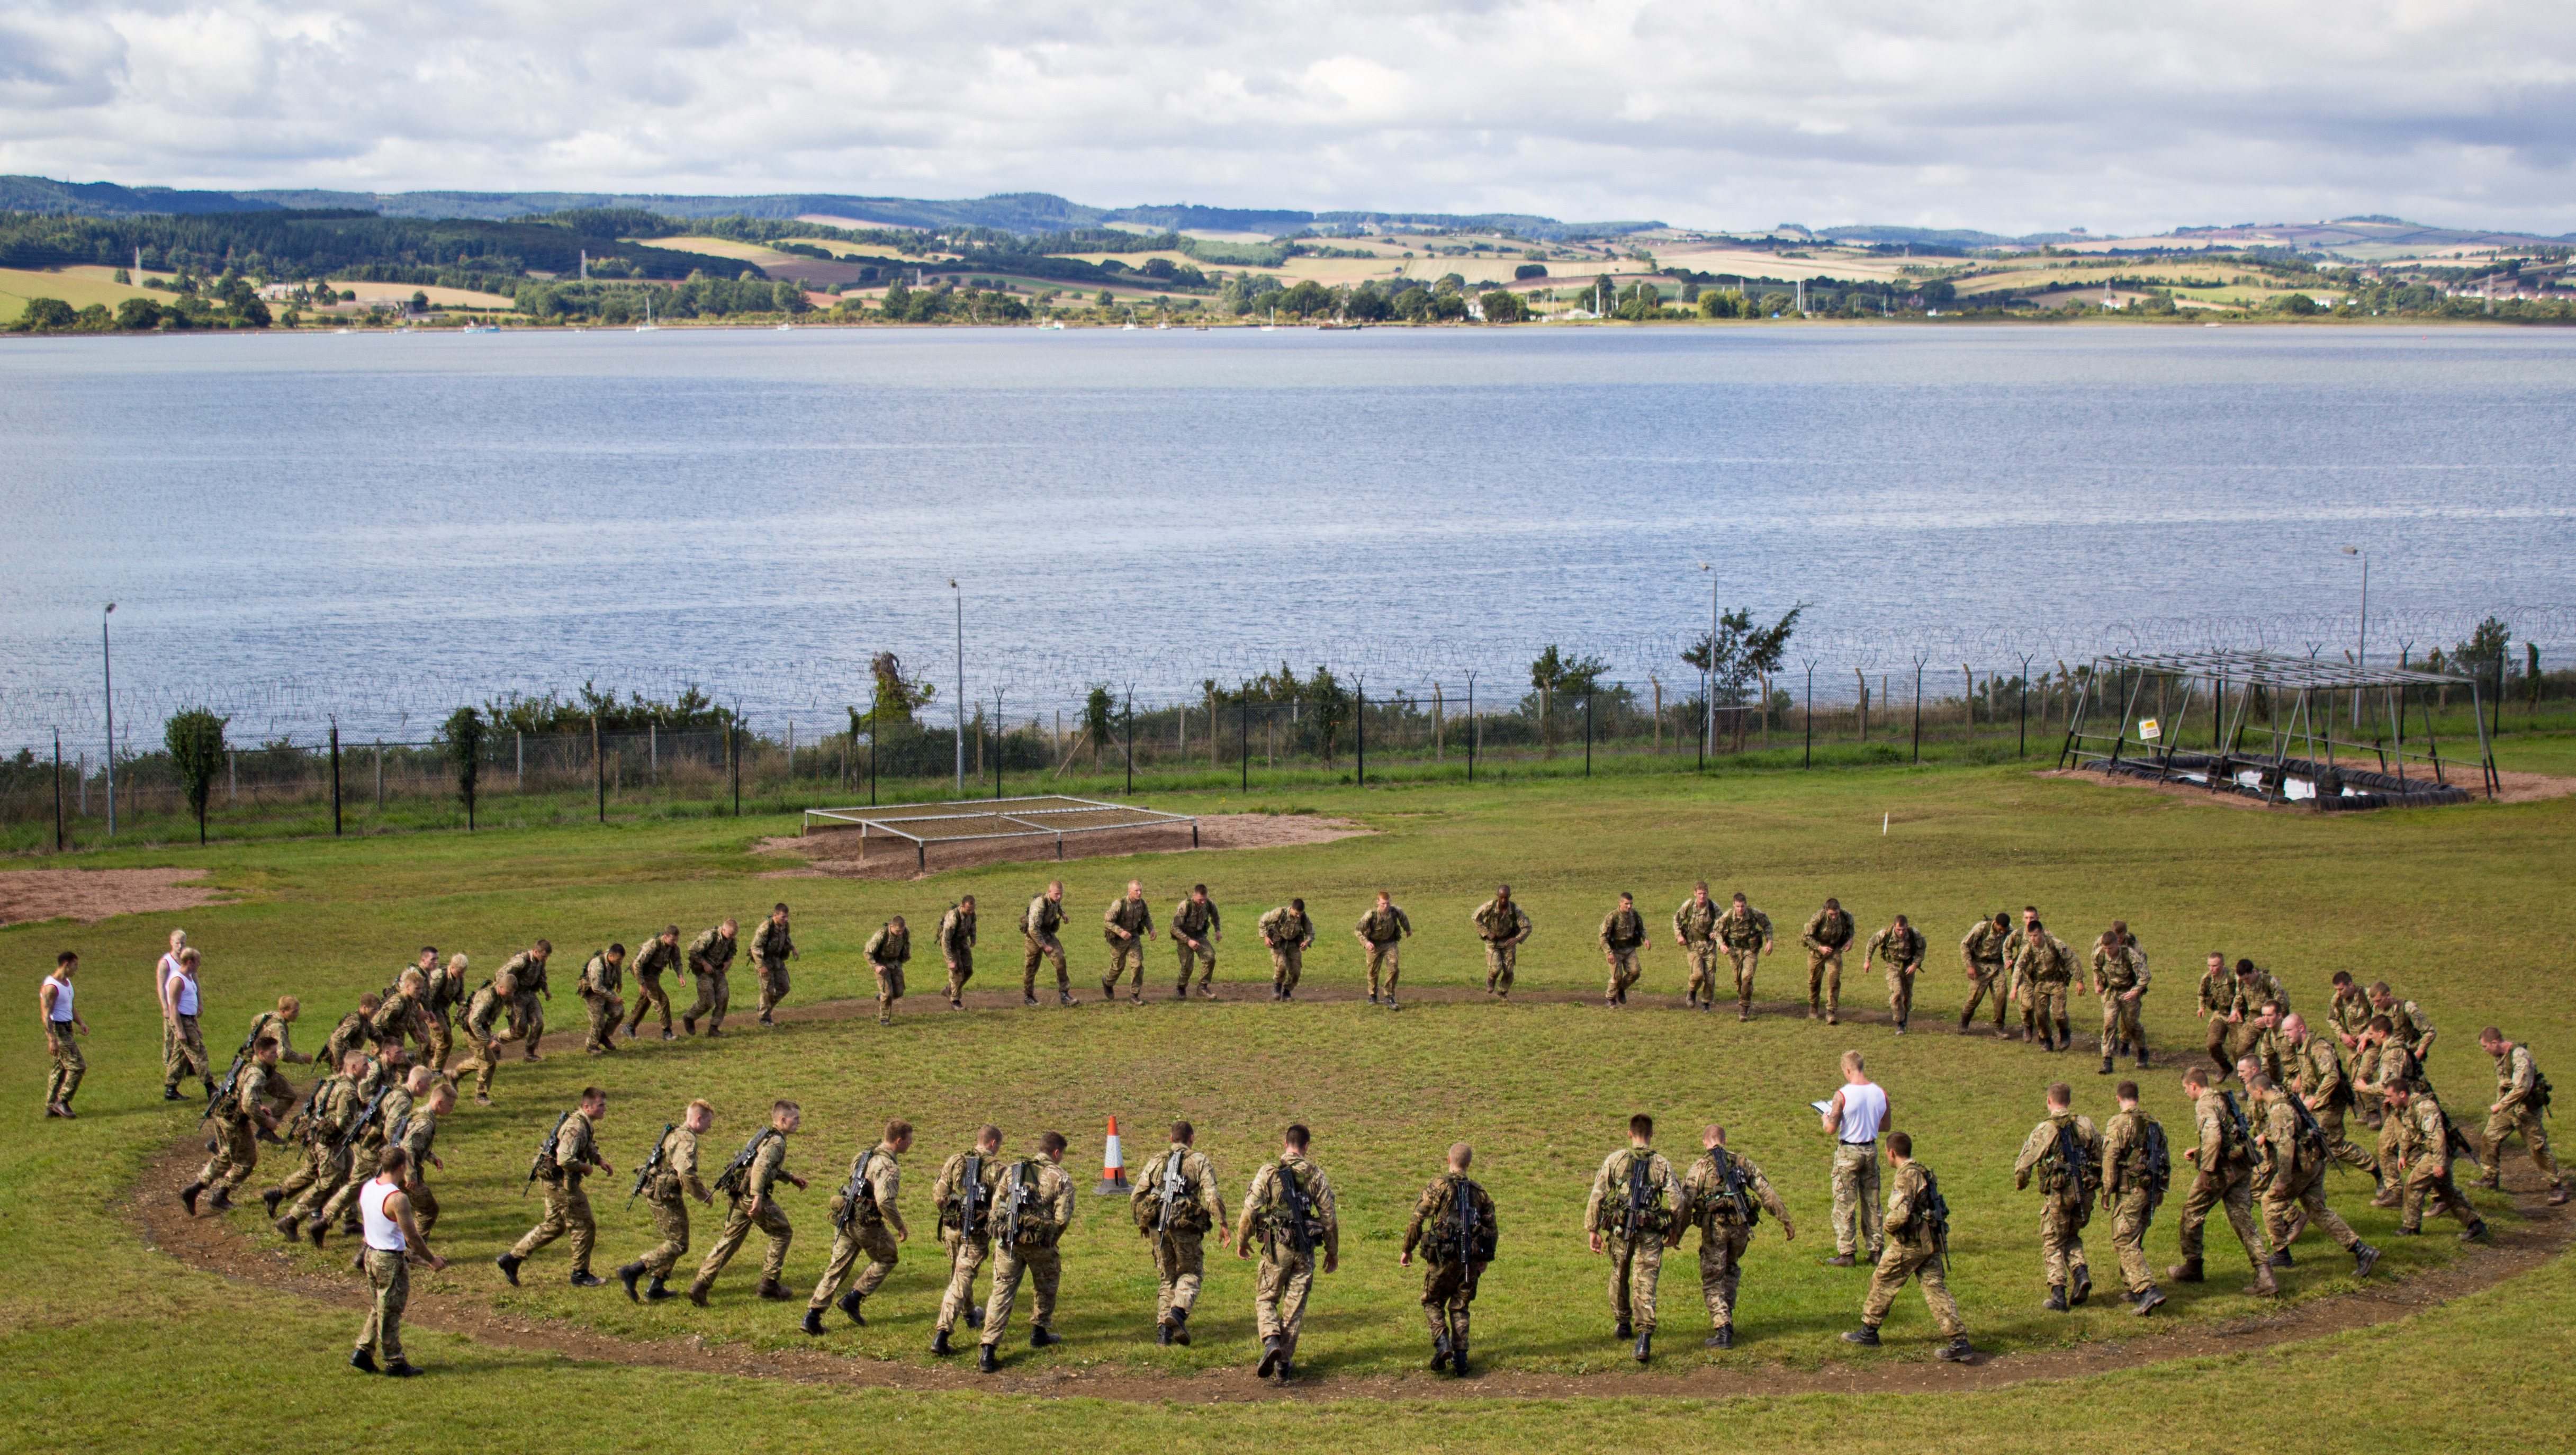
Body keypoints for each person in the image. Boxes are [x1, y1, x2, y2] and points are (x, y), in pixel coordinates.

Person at [1841, 1131, 1972, 1361]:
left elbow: (1900, 1216)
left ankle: (1868, 1332)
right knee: (1935, 1288)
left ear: (1891, 1153)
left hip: (1910, 1242)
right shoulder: (1923, 1171)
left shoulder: (1906, 1176)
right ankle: (1959, 1340)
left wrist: (1888, 1229)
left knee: (1883, 1279)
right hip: (1929, 1241)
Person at [1236, 1122, 1338, 1381]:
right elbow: (1329, 1219)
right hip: (1305, 1251)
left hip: (1275, 1250)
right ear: (1306, 1147)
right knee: (1294, 1307)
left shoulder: (1269, 1172)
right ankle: (1283, 1364)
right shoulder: (1316, 1175)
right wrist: (1332, 1252)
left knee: (1266, 1298)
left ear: (1285, 1144)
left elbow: (1251, 1210)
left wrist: (1242, 1240)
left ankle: (1271, 1340)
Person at [2249, 1072, 2378, 1277]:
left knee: (2269, 1202)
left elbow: (2286, 1146)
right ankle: (2362, 1250)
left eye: (2251, 1092)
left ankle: (2281, 1253)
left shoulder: (2279, 1111)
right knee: (2317, 1211)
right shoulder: (2286, 1099)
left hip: (2301, 1167)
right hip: (2315, 1161)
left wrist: (2283, 1179)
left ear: (2259, 1091)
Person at [1680, 1124, 1792, 1349]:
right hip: (1741, 1229)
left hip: (1716, 1230)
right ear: (1725, 1140)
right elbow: (1766, 1192)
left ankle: (1723, 1331)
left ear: (1705, 1142)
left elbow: (1686, 1203)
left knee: (1712, 1278)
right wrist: (1785, 1219)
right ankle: (1727, 1319)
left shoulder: (1700, 1167)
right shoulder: (1743, 1163)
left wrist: (1676, 1234)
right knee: (1731, 1269)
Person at [1584, 1112, 1682, 1362]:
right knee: (1645, 1281)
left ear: (1630, 1133)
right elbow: (1677, 1202)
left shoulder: (1615, 1160)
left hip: (1620, 1232)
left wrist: (1593, 1230)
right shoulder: (1662, 1164)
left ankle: (1623, 1322)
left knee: (1620, 1274)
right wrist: (1675, 1232)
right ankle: (1644, 1339)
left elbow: (1598, 1196)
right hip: (1650, 1233)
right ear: (1651, 1135)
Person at [2168, 1064, 2274, 1294]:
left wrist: (2205, 1170)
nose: (2185, 1093)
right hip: (2241, 1166)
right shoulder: (2223, 1098)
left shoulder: (2205, 1103)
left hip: (2221, 1170)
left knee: (2192, 1213)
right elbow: (2229, 1134)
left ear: (2193, 1086)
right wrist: (2199, 1151)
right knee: (2243, 1220)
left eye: (2185, 1088)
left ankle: (2193, 1266)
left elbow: (2215, 1137)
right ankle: (2265, 1275)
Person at [690, 1099, 807, 1304]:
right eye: (796, 1118)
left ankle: (700, 1285)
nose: (799, 1122)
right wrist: (758, 1198)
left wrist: (789, 1178)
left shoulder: (766, 1136)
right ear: (783, 1120)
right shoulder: (777, 1142)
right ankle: (769, 1284)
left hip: (738, 1193)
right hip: (751, 1195)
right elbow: (761, 1168)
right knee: (782, 1232)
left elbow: (759, 1163)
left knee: (730, 1240)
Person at [979, 1130, 1075, 1371]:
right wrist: (1051, 1241)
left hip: (1008, 1242)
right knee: (1047, 1285)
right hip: (1041, 1245)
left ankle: (988, 1349)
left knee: (1001, 1292)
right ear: (1056, 1153)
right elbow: (1063, 1219)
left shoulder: (1013, 1170)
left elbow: (996, 1204)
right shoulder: (1060, 1177)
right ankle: (1039, 1331)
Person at [804, 1117, 912, 1330]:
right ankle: (853, 1299)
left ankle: (812, 1317)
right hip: (865, 1222)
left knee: (837, 1267)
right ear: (899, 1141)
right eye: (909, 1140)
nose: (911, 1144)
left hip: (846, 1216)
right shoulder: (888, 1166)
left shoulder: (863, 1155)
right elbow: (884, 1201)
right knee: (888, 1257)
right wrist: (900, 1225)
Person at [499, 1086, 613, 1288]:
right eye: (601, 1105)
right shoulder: (576, 1126)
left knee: (555, 1225)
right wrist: (585, 1167)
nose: (605, 1109)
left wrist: (599, 1160)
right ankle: (580, 1274)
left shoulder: (583, 1123)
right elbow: (565, 1158)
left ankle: (512, 1259)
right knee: (584, 1225)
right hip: (562, 1185)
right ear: (587, 1107)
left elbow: (587, 1145)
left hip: (554, 1183)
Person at [1402, 1142, 1497, 1373]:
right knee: (1460, 1306)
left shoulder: (1439, 1187)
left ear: (1448, 1160)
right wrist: (1486, 1258)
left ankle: (1442, 1342)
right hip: (1470, 1260)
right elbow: (1492, 1230)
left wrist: (1408, 1249)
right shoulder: (1480, 1192)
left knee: (1431, 1301)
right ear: (1469, 1163)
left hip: (1443, 1259)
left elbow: (1417, 1219)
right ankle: (1461, 1357)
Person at [350, 1147, 445, 1378]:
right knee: (390, 1311)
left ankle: (363, 1351)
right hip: (389, 1261)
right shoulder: (398, 1199)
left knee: (378, 1306)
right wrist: (431, 1259)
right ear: (403, 1167)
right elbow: (412, 1236)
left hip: (371, 1254)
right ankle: (394, 1361)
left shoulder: (369, 1187)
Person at [1133, 1120, 1228, 1345]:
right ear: (1192, 1139)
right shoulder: (1199, 1161)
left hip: (1158, 1226)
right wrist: (1223, 1223)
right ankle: (1177, 1313)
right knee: (1191, 1273)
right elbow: (1212, 1196)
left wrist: (1140, 1223)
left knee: (1168, 1277)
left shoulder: (1157, 1161)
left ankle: (1163, 1335)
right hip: (1185, 1226)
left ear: (1171, 1139)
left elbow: (1136, 1195)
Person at [2012, 1082, 2102, 1310]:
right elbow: (2102, 1155)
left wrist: (2021, 1184)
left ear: (2049, 1101)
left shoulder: (2045, 1129)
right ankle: (2081, 1274)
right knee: (2071, 1235)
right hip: (2085, 1195)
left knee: (2053, 1240)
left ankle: (2058, 1295)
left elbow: (2024, 1165)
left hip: (2059, 1196)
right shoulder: (2086, 1124)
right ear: (2069, 1101)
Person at [617, 1099, 714, 1303]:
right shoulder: (687, 1139)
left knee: (674, 1240)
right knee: (679, 1243)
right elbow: (685, 1172)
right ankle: (633, 1271)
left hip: (657, 1192)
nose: (710, 1126)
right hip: (666, 1195)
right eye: (709, 1122)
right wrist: (703, 1195)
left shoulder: (675, 1133)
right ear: (698, 1119)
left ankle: (656, 1287)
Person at [274, 1049, 370, 1240]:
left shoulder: (331, 1081)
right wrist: (363, 1128)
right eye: (365, 1065)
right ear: (353, 1067)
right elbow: (343, 1122)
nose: (368, 1069)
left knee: (348, 1178)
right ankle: (291, 1219)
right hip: (331, 1142)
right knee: (328, 1183)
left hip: (321, 1137)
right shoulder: (348, 1090)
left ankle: (350, 1220)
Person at [181, 1037, 283, 1213]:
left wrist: (259, 1106)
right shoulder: (257, 1075)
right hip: (235, 1121)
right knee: (246, 1162)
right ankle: (220, 1196)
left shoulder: (246, 1065)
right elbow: (248, 1105)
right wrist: (267, 1122)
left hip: (222, 1115)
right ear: (262, 1053)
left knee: (226, 1155)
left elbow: (240, 1093)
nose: (277, 1056)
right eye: (274, 1052)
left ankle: (194, 1190)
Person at [931, 1124, 1006, 1353]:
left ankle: (971, 1314)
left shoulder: (955, 1160)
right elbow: (1001, 1206)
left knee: (960, 1274)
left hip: (952, 1229)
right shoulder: (999, 1169)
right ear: (993, 1144)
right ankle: (942, 1335)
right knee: (961, 1281)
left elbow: (939, 1196)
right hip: (975, 1234)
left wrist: (954, 1211)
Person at [2100, 1081, 2169, 1315]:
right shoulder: (2155, 1124)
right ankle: (2133, 1286)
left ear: (2118, 1098)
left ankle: (2148, 1289)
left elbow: (2110, 1158)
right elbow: (2165, 1158)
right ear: (2137, 1098)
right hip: (2151, 1189)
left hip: (2131, 1190)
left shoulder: (2119, 1122)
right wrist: (2161, 1190)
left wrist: (2107, 1191)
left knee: (2123, 1238)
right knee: (2135, 1236)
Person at [2474, 1027, 2565, 1203]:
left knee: (2538, 1147)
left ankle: (2556, 1187)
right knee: (2489, 1137)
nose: (2484, 1051)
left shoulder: (2520, 1056)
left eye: (2485, 1047)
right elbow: (2505, 1084)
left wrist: (2501, 1105)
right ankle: (2490, 1178)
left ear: (2495, 1043)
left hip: (2526, 1110)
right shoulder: (2500, 1056)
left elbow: (2522, 1088)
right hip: (2508, 1109)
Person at [2387, 1081, 2486, 1241]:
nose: (2387, 1100)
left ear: (2402, 1094)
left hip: (2440, 1152)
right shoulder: (2403, 1110)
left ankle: (2411, 1227)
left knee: (2413, 1184)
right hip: (2434, 1151)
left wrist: (2439, 1163)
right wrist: (2403, 1154)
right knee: (2446, 1190)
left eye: (2389, 1096)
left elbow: (2438, 1137)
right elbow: (2406, 1133)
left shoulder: (2424, 1108)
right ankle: (2475, 1225)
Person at [2283, 1013, 2379, 1176]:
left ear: (2301, 1028)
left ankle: (2375, 1169)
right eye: (2284, 1032)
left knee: (2332, 1144)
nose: (2286, 1035)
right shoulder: (2301, 1047)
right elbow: (2308, 1073)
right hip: (2319, 1100)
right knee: (2308, 1138)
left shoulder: (2318, 1048)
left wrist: (2315, 1099)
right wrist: (2304, 1094)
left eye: (2289, 1030)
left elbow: (2332, 1076)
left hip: (2332, 1101)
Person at [1822, 1049, 1890, 1265]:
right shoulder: (1880, 1093)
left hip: (1849, 1152)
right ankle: (1876, 1250)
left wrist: (1825, 1118)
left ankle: (1847, 1253)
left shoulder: (1842, 1095)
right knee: (1872, 1202)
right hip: (1871, 1150)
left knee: (1845, 1202)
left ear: (1848, 1069)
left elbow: (1831, 1128)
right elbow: (1886, 1126)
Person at [391, 1074, 452, 1234]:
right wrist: (411, 1175)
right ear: (440, 1103)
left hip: (398, 1170)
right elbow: (407, 1146)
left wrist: (432, 1157)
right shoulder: (426, 1122)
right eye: (451, 1106)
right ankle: (416, 1252)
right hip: (407, 1172)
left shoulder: (420, 1112)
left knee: (395, 1213)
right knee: (428, 1211)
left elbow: (413, 1142)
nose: (452, 1110)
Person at [2008, 915, 2079, 1051]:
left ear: (2042, 932)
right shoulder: (2029, 949)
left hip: (2057, 982)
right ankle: (2047, 1040)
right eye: (2030, 936)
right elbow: (2019, 966)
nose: (2033, 939)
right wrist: (2014, 988)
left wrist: (2079, 981)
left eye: (2035, 935)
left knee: (2058, 1014)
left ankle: (2065, 1032)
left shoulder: (2055, 944)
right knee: (2040, 1015)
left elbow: (2072, 960)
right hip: (2040, 984)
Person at [2091, 922, 2151, 1073]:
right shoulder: (2100, 954)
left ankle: (2142, 1051)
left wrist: (2136, 991)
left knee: (2131, 1025)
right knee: (2109, 1025)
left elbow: (2145, 976)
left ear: (2117, 943)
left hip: (2129, 992)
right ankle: (2107, 1060)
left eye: (2110, 948)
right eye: (2105, 948)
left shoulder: (2129, 954)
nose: (2108, 952)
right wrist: (2099, 983)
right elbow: (2096, 968)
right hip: (2112, 993)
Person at [161, 947, 212, 1100]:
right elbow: (174, 1008)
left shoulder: (189, 978)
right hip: (181, 1021)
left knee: (180, 1056)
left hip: (189, 1019)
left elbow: (190, 1004)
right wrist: (180, 1031)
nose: (200, 964)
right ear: (190, 962)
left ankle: (171, 1090)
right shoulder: (177, 980)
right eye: (198, 961)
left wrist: (196, 1025)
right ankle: (211, 1088)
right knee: (198, 1053)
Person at [454, 971, 512, 1104]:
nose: (511, 995)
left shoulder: (503, 994)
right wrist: (489, 1042)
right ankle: (481, 1096)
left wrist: (512, 1021)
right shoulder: (487, 998)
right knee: (488, 1062)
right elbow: (473, 1022)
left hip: (483, 1027)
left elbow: (510, 1005)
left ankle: (454, 1075)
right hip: (473, 1029)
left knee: (481, 1059)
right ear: (501, 988)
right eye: (509, 992)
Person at [1861, 913, 1925, 1035]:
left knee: (1907, 996)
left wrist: (1915, 965)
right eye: (1899, 930)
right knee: (1897, 994)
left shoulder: (1914, 934)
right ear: (1894, 927)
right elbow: (1872, 943)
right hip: (1892, 966)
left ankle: (1905, 1016)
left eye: (1904, 930)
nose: (1902, 933)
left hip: (1908, 966)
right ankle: (1899, 1023)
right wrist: (1867, 961)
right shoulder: (1886, 934)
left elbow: (1922, 949)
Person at [41, 951, 87, 1118]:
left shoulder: (67, 983)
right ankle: (62, 1101)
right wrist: (52, 1039)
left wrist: (80, 1023)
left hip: (68, 1028)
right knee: (78, 1066)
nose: (77, 969)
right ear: (66, 964)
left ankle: (50, 1107)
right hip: (59, 1032)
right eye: (75, 965)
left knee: (59, 1068)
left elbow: (70, 1006)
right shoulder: (51, 987)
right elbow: (46, 1015)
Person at [1716, 892, 1774, 1021]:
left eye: (1742, 906)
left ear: (1746, 905)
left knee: (1747, 978)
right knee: (1738, 981)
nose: (1740, 909)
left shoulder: (1754, 913)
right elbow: (1717, 930)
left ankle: (1744, 1008)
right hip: (1734, 951)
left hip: (1750, 950)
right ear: (1734, 905)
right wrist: (1721, 945)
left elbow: (1767, 925)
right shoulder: (1728, 916)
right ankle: (1744, 996)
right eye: (1738, 906)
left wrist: (1770, 941)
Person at [1801, 896, 1857, 1024]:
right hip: (1817, 953)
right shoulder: (1818, 918)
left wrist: (1850, 940)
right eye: (1831, 914)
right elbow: (1806, 936)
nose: (1834, 917)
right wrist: (1820, 948)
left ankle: (1831, 1012)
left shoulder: (1846, 916)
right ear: (1826, 911)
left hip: (1834, 951)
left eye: (1836, 914)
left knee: (1834, 981)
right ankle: (1814, 1007)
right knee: (1814, 982)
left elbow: (1851, 928)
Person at [1472, 885, 1532, 999]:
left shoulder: (1515, 910)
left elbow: (1528, 927)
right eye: (1501, 897)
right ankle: (1491, 978)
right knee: (1496, 968)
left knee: (1509, 970)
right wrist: (1487, 932)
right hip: (1493, 942)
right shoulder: (1490, 906)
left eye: (1506, 898)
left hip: (1508, 941)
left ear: (1510, 896)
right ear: (1497, 896)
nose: (1504, 900)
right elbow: (1476, 917)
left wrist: (1517, 938)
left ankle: (1502, 992)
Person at [623, 926, 682, 1041]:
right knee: (662, 1000)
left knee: (645, 1001)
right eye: (673, 940)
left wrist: (680, 976)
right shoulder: (653, 945)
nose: (675, 943)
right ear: (665, 937)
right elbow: (637, 964)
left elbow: (677, 962)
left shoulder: (673, 947)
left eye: (677, 940)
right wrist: (642, 984)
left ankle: (629, 1028)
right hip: (644, 975)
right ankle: (667, 1032)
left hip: (654, 977)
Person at [1354, 891, 1412, 1008]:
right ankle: (1373, 995)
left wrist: (1408, 929)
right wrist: (1366, 943)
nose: (1386, 906)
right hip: (1374, 945)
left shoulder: (1395, 911)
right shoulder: (1371, 915)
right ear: (1378, 902)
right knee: (1373, 972)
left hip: (1390, 943)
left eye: (1388, 903)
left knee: (1394, 968)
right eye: (1383, 904)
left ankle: (1389, 997)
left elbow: (1403, 918)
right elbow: (1358, 931)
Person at [1958, 911, 2012, 1035]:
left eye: (2005, 929)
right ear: (1996, 924)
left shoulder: (2009, 930)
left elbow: (2013, 943)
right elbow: (1965, 945)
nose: (2003, 932)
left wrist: (2011, 960)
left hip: (1997, 966)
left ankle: (1998, 1027)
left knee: (2001, 996)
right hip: (1980, 966)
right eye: (2001, 929)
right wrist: (1969, 966)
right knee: (1974, 998)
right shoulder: (1982, 929)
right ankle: (1964, 1022)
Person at [496, 940, 552, 1058]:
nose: (546, 959)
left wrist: (546, 990)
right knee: (520, 1030)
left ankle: (530, 1053)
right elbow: (501, 974)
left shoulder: (541, 962)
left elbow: (542, 977)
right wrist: (504, 992)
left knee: (539, 1024)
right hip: (516, 996)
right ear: (536, 952)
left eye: (547, 957)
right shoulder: (521, 961)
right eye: (544, 956)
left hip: (530, 994)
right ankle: (496, 1040)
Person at [683, 920, 738, 1037]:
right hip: (704, 971)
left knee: (724, 997)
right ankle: (689, 1017)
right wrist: (704, 964)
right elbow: (692, 950)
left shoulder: (732, 939)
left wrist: (729, 962)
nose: (732, 937)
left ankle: (714, 1028)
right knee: (707, 1002)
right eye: (730, 935)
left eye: (734, 935)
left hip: (718, 970)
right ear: (723, 930)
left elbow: (732, 951)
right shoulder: (710, 937)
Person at [1102, 880, 1154, 1003]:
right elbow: (1107, 921)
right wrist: (1121, 932)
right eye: (1137, 890)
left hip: (1133, 938)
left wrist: (1151, 929)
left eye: (1141, 890)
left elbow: (1146, 917)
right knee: (1118, 967)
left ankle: (1134, 995)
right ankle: (1107, 982)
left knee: (1137, 965)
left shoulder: (1142, 904)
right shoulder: (1120, 904)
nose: (1139, 893)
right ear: (1129, 891)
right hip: (1118, 940)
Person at [1022, 882, 1073, 1007]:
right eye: (1057, 894)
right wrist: (1044, 946)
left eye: (1061, 894)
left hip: (1047, 933)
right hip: (1034, 936)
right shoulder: (1039, 905)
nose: (1059, 897)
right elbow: (1033, 929)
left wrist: (1063, 914)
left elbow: (1058, 905)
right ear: (1049, 892)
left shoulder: (1055, 900)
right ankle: (1028, 996)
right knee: (1031, 966)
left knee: (1060, 960)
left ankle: (1065, 994)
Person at [1674, 882, 1722, 1012]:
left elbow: (1723, 922)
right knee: (1698, 975)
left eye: (1704, 894)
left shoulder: (1713, 907)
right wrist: (1679, 936)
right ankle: (1692, 991)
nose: (1702, 896)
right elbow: (1677, 919)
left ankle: (1706, 1003)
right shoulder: (1689, 906)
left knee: (1710, 978)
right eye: (1700, 893)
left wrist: (1716, 932)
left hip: (1709, 946)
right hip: (1694, 946)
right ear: (1695, 893)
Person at [1170, 883, 1222, 1000]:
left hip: (1199, 936)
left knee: (1210, 958)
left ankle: (1203, 988)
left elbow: (1216, 916)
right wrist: (1188, 941)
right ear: (1194, 895)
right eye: (1200, 900)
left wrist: (1218, 930)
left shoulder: (1209, 903)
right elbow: (1174, 928)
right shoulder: (1185, 906)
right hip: (1184, 937)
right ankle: (1181, 988)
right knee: (1187, 966)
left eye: (1204, 899)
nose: (1203, 902)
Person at [1258, 899, 1315, 1001]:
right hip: (1278, 943)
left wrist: (1307, 942)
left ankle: (1287, 992)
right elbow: (1263, 922)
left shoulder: (1304, 918)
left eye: (1300, 914)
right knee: (1282, 966)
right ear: (1292, 908)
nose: (1299, 916)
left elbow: (1311, 933)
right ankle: (1277, 986)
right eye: (1297, 913)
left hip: (1293, 944)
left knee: (1296, 971)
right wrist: (1265, 937)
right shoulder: (1280, 913)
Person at [751, 902, 797, 1025]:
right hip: (765, 962)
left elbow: (786, 937)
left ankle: (763, 1007)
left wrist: (793, 948)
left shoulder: (785, 926)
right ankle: (764, 1018)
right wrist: (761, 966)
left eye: (787, 917)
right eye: (783, 917)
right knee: (768, 991)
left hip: (777, 960)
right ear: (775, 916)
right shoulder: (765, 929)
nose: (786, 919)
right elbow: (755, 948)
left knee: (785, 987)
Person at [1599, 893, 1649, 1008]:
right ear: (1620, 903)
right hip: (1615, 951)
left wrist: (1646, 939)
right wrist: (1609, 953)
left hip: (1629, 949)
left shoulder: (1635, 915)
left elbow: (1641, 928)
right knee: (1617, 977)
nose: (1629, 906)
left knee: (1635, 972)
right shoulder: (1613, 917)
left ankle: (1621, 989)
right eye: (1626, 904)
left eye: (1631, 904)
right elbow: (1603, 936)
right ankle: (1611, 998)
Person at [577, 944, 626, 1054]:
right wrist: (614, 998)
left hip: (606, 988)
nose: (619, 962)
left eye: (621, 960)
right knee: (598, 1020)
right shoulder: (597, 964)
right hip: (593, 992)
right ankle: (592, 1045)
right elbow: (597, 988)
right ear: (611, 956)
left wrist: (619, 982)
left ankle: (603, 1036)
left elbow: (618, 969)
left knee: (619, 1012)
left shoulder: (616, 961)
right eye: (618, 960)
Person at [2370, 981, 2434, 1064]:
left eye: (2379, 1001)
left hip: (2406, 1057)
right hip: (2387, 1057)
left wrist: (2420, 1052)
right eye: (2374, 1002)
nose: (2376, 1004)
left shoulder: (2407, 1008)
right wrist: (2365, 1037)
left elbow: (2430, 1031)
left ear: (2388, 995)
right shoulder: (2377, 1010)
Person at [423, 951, 469, 1068]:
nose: (462, 974)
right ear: (452, 967)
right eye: (460, 971)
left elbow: (461, 997)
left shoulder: (459, 978)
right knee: (445, 1040)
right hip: (432, 1011)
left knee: (441, 1040)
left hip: (443, 1011)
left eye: (464, 971)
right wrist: (432, 1020)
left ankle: (421, 1056)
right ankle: (436, 1070)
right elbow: (427, 999)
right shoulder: (439, 977)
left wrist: (465, 1011)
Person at [939, 896, 979, 1009]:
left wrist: (973, 938)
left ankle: (949, 990)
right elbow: (945, 941)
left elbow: (973, 925)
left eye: (972, 909)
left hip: (963, 943)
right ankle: (955, 1001)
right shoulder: (953, 918)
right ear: (962, 906)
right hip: (952, 945)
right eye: (968, 910)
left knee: (968, 971)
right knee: (957, 973)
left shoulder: (972, 914)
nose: (971, 912)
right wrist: (950, 961)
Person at [2326, 971, 2376, 1052]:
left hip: (2372, 1043)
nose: (2338, 993)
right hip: (2353, 1046)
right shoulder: (2337, 1000)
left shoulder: (2367, 995)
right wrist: (2342, 1035)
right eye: (2336, 990)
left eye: (2341, 989)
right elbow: (2331, 1019)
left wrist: (2367, 1034)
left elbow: (2379, 1015)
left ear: (2350, 985)